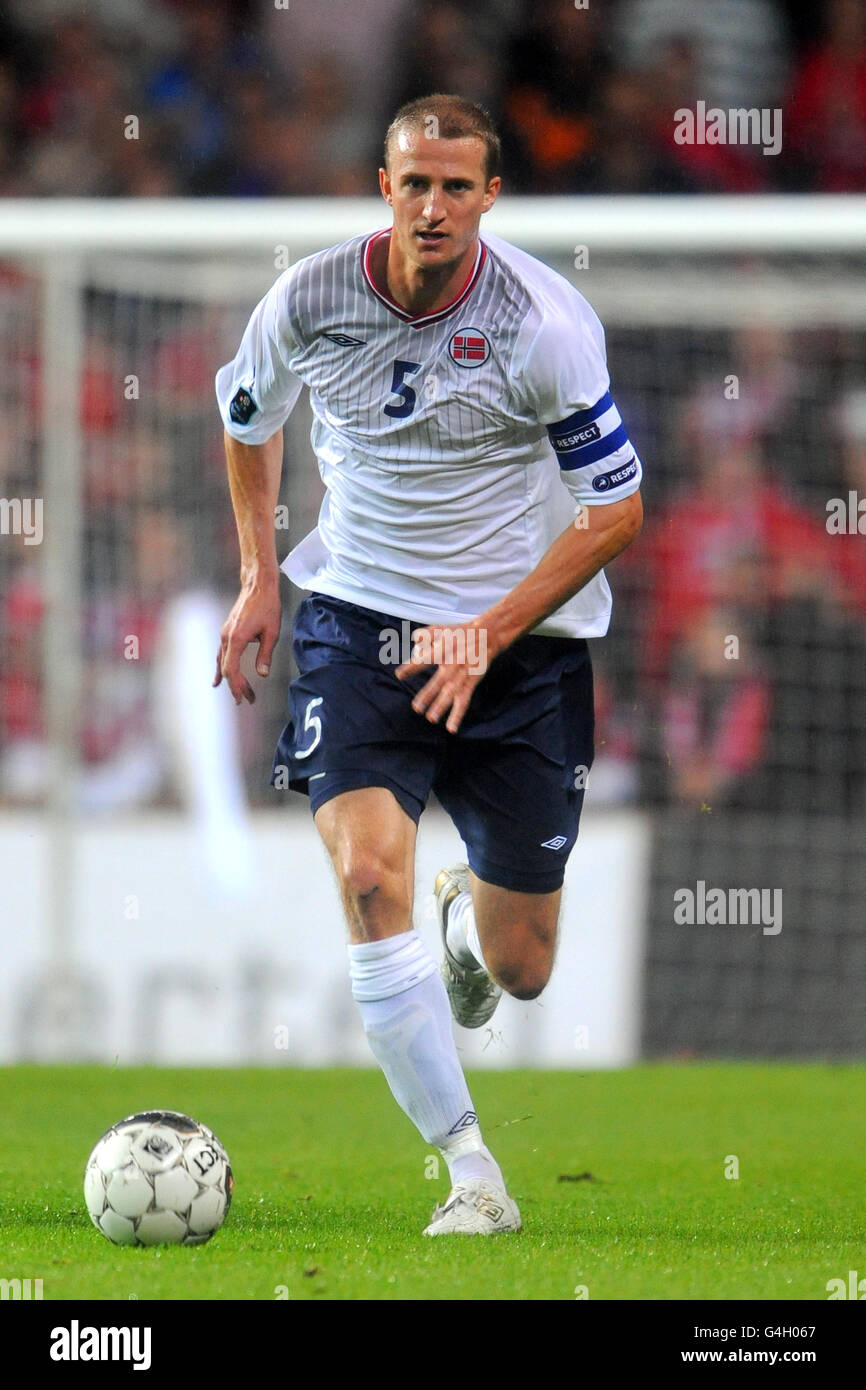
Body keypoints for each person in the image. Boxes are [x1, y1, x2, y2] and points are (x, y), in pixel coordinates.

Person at [213, 94, 643, 1235]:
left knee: (523, 968)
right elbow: (246, 416)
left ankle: (467, 921)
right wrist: (262, 574)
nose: (434, 204)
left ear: (489, 197)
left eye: (457, 186)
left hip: (520, 650)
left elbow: (614, 511)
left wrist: (488, 631)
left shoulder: (542, 324)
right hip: (356, 625)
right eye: (415, 181)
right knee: (363, 876)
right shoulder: (306, 296)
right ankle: (471, 1172)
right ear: (384, 184)